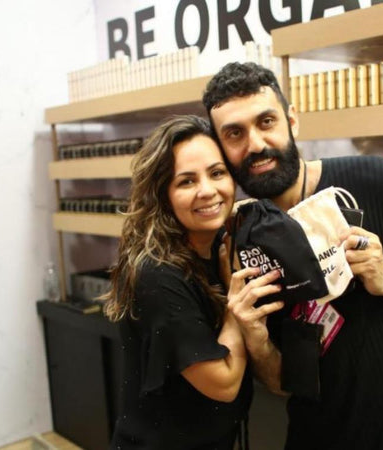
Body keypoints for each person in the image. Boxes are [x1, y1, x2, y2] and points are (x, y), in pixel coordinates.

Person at [202, 62, 383, 450]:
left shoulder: (376, 179)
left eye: (266, 121)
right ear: (221, 148)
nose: (255, 144)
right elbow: (282, 383)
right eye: (234, 133)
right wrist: (254, 337)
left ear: (291, 121)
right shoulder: (242, 240)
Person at [103, 115, 283, 450]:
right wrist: (236, 299)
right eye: (187, 181)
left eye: (217, 173)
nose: (208, 191)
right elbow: (223, 384)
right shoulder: (157, 275)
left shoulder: (216, 249)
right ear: (162, 194)